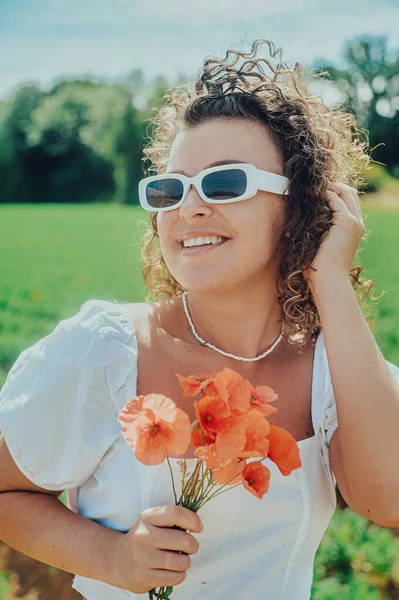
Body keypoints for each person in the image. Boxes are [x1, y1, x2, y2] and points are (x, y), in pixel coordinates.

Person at [0, 39, 398, 600]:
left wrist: (328, 278)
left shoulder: (334, 370)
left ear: (300, 205)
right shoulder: (104, 353)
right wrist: (110, 556)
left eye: (225, 182)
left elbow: (389, 500)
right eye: (169, 189)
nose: (188, 208)